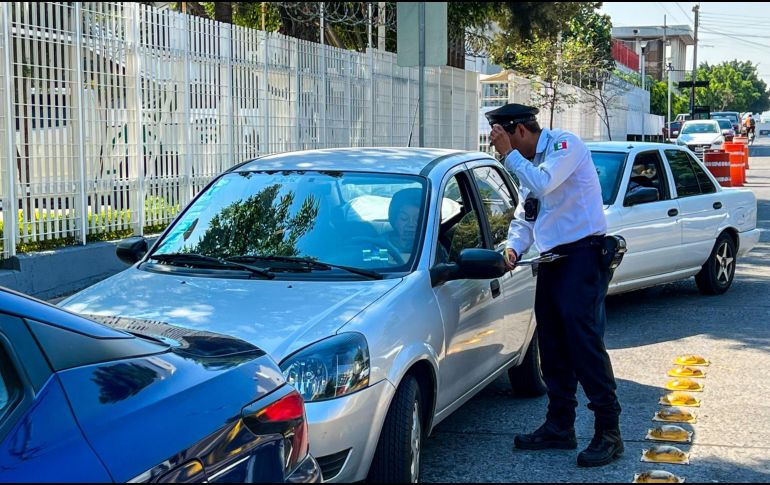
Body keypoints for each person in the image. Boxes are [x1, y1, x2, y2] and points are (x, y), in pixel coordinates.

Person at [486, 103, 623, 468]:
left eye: (502, 139)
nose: (501, 149)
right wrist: (513, 247)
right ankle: (560, 425)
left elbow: (543, 182)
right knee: (553, 346)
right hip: (551, 262)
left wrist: (510, 157)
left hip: (581, 257)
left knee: (585, 345)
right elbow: (526, 212)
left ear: (519, 131)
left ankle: (609, 431)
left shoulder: (565, 145)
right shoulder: (529, 165)